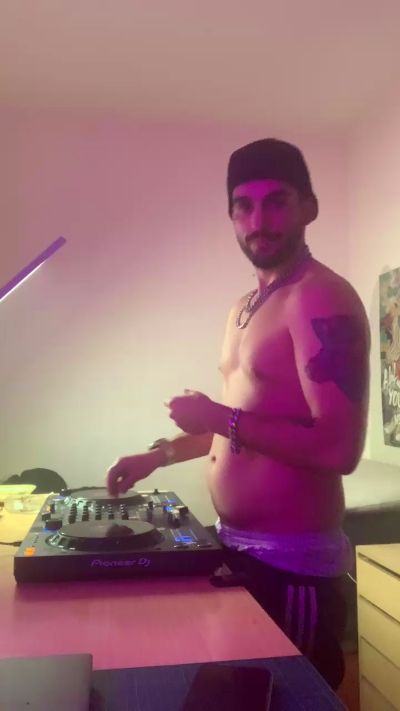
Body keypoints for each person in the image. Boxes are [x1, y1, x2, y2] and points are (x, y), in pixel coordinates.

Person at [106, 138, 370, 689]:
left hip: (291, 564)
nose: (258, 221)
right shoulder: (244, 308)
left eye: (276, 202)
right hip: (236, 547)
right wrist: (160, 455)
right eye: (243, 206)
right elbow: (244, 427)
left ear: (309, 207)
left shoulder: (319, 297)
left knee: (292, 698)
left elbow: (338, 448)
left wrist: (215, 414)